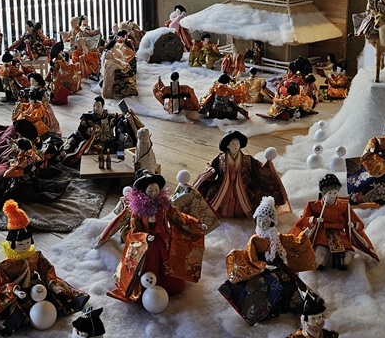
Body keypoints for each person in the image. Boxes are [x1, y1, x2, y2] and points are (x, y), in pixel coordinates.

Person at [0, 200, 89, 336]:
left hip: (36, 286)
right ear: (11, 243)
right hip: (15, 291)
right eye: (20, 244)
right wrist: (16, 291)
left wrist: (51, 282)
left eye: (27, 242)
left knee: (56, 298)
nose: (25, 246)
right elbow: (2, 283)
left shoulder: (35, 256)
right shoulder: (4, 266)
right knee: (12, 310)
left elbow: (46, 269)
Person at [218, 196, 316, 326]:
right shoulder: (255, 240)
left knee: (290, 282)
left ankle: (288, 305)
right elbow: (252, 257)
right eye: (260, 220)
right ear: (256, 220)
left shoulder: (278, 237)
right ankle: (267, 311)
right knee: (264, 286)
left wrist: (304, 236)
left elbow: (293, 242)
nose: (263, 224)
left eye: (266, 221)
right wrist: (264, 265)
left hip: (279, 266)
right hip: (262, 268)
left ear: (272, 223)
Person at [108, 172, 205, 303]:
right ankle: (146, 288)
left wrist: (196, 224)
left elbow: (179, 217)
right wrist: (144, 237)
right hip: (148, 241)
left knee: (169, 260)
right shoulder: (138, 210)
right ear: (143, 192)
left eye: (156, 189)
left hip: (165, 238)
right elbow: (135, 229)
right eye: (150, 190)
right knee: (150, 263)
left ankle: (169, 285)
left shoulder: (165, 205)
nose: (154, 193)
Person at [192, 130, 290, 218]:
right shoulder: (220, 158)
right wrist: (211, 170)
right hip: (223, 186)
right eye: (233, 144)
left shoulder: (247, 159)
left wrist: (268, 163)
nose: (236, 146)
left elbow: (259, 168)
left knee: (248, 201)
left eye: (237, 143)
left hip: (242, 188)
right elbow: (211, 164)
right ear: (227, 145)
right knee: (213, 199)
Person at [290, 174, 378, 271]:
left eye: (335, 193)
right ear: (324, 193)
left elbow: (358, 222)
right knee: (320, 250)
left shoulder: (343, 207)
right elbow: (304, 220)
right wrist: (314, 220)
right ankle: (320, 262)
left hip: (339, 233)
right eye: (330, 193)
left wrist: (353, 224)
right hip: (322, 232)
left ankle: (342, 262)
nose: (332, 196)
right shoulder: (313, 206)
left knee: (346, 254)